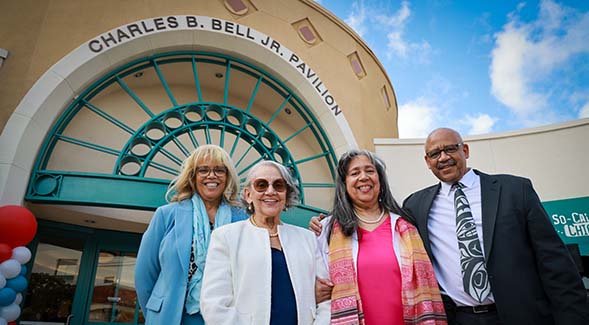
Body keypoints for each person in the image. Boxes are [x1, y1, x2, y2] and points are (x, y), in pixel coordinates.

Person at [403, 127, 588, 324]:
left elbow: (554, 262)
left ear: (465, 150)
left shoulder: (516, 190)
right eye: (434, 154)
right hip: (460, 318)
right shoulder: (415, 206)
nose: (443, 158)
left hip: (524, 316)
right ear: (427, 161)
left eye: (450, 149)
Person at [314, 149, 446, 324]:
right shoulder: (326, 230)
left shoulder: (406, 227)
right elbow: (315, 285)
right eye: (355, 173)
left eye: (370, 171)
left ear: (380, 180)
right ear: (344, 184)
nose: (363, 177)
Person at [200, 160, 330, 324]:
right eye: (261, 185)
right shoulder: (226, 237)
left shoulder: (307, 239)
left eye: (278, 185)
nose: (270, 191)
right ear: (248, 195)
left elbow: (326, 299)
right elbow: (214, 304)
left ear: (286, 195)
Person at [135, 144, 247, 325]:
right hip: (172, 317)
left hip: (227, 318)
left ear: (227, 177)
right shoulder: (166, 215)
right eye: (203, 170)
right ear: (193, 176)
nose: (212, 175)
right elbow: (144, 275)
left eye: (219, 170)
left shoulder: (243, 219)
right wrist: (157, 315)